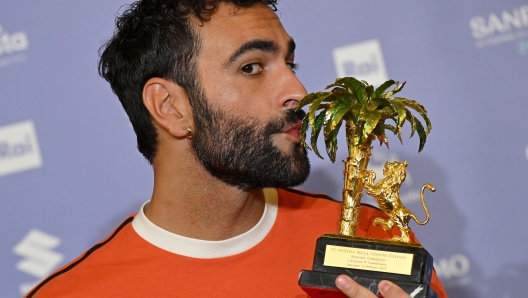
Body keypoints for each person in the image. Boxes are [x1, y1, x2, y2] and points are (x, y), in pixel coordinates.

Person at [26, 1, 447, 297]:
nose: (298, 92)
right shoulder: (73, 293)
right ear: (170, 108)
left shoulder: (376, 241)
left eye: (290, 63)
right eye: (251, 68)